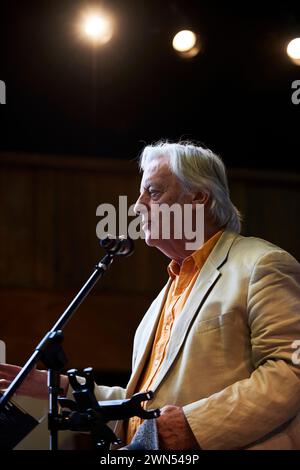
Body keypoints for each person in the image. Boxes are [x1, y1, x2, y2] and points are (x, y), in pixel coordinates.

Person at [1, 140, 300, 450]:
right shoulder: (162, 301)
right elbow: (141, 409)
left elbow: (291, 370)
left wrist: (193, 427)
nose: (137, 205)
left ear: (197, 197)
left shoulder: (262, 264)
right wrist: (60, 387)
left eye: (153, 192)